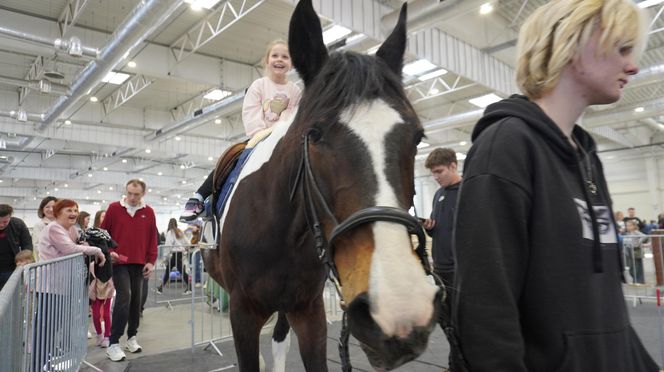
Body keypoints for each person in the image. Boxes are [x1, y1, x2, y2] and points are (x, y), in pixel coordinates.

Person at [451, 1, 658, 371]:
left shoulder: (585, 155)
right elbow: (485, 308)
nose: (633, 65)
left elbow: (605, 304)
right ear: (573, 45)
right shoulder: (506, 145)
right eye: (622, 49)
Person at [179, 39, 302, 222]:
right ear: (267, 61)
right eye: (275, 55)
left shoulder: (295, 90)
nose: (280, 59)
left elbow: (294, 116)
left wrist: (283, 135)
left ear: (291, 63)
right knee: (233, 159)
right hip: (258, 138)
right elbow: (251, 112)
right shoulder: (259, 85)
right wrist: (262, 134)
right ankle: (202, 199)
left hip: (284, 140)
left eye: (285, 57)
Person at [101, 179, 158, 362]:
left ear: (143, 194)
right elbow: (103, 235)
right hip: (118, 263)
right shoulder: (113, 208)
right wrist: (109, 252)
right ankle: (113, 343)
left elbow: (152, 238)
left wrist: (151, 261)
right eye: (129, 193)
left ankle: (132, 337)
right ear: (126, 191)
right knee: (124, 296)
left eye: (136, 194)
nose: (132, 197)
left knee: (137, 300)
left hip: (140, 263)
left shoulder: (148, 212)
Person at [422, 148, 462, 342]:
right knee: (446, 320)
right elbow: (439, 225)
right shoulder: (439, 195)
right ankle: (455, 360)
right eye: (433, 173)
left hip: (460, 270)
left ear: (453, 166)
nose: (435, 177)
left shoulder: (468, 191)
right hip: (440, 268)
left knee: (463, 321)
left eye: (439, 172)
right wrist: (430, 227)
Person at [0, 204, 33, 290]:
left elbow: (27, 245)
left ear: (10, 217)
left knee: (10, 297)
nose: (1, 225)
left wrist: (25, 260)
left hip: (12, 269)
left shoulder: (18, 224)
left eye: (5, 222)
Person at [157, 218, 191, 294]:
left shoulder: (170, 232)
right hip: (179, 254)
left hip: (175, 254)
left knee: (180, 271)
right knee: (168, 270)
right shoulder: (180, 231)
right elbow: (188, 242)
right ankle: (160, 288)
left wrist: (165, 257)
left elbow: (168, 246)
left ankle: (190, 288)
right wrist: (185, 249)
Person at [32, 196, 57, 261]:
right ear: (42, 209)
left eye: (53, 207)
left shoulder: (63, 224)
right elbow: (37, 246)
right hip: (46, 262)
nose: (51, 209)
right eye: (47, 207)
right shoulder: (39, 225)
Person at [623, 220, 648, 284]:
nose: (628, 227)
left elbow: (645, 236)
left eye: (629, 225)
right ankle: (635, 279)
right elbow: (626, 242)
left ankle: (638, 281)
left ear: (634, 226)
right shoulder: (627, 233)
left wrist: (638, 242)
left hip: (636, 251)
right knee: (631, 268)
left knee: (637, 266)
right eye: (627, 226)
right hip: (629, 251)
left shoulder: (635, 232)